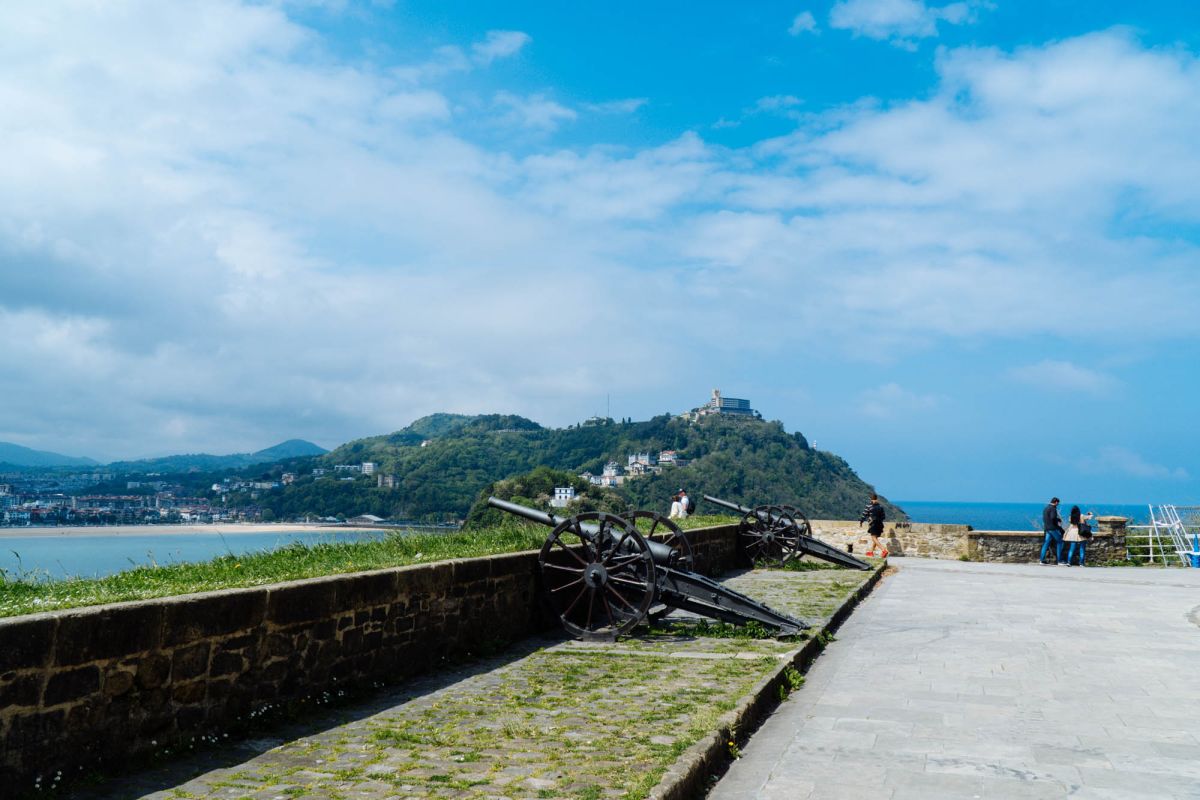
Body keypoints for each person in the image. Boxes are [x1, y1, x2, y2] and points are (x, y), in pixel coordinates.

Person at [859, 493, 888, 558]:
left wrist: (861, 521)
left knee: (873, 538)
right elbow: (883, 517)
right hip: (880, 524)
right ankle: (871, 552)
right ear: (876, 498)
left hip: (873, 524)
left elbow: (864, 514)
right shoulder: (881, 506)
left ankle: (883, 550)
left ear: (870, 499)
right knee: (875, 538)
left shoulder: (869, 506)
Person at [1040, 497, 1066, 565]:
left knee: (1046, 543)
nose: (1058, 504)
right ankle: (1060, 560)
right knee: (1060, 541)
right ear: (1056, 502)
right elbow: (1053, 518)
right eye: (1058, 503)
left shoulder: (1046, 508)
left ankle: (1042, 560)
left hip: (1047, 528)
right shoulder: (1053, 508)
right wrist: (1058, 520)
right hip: (1052, 528)